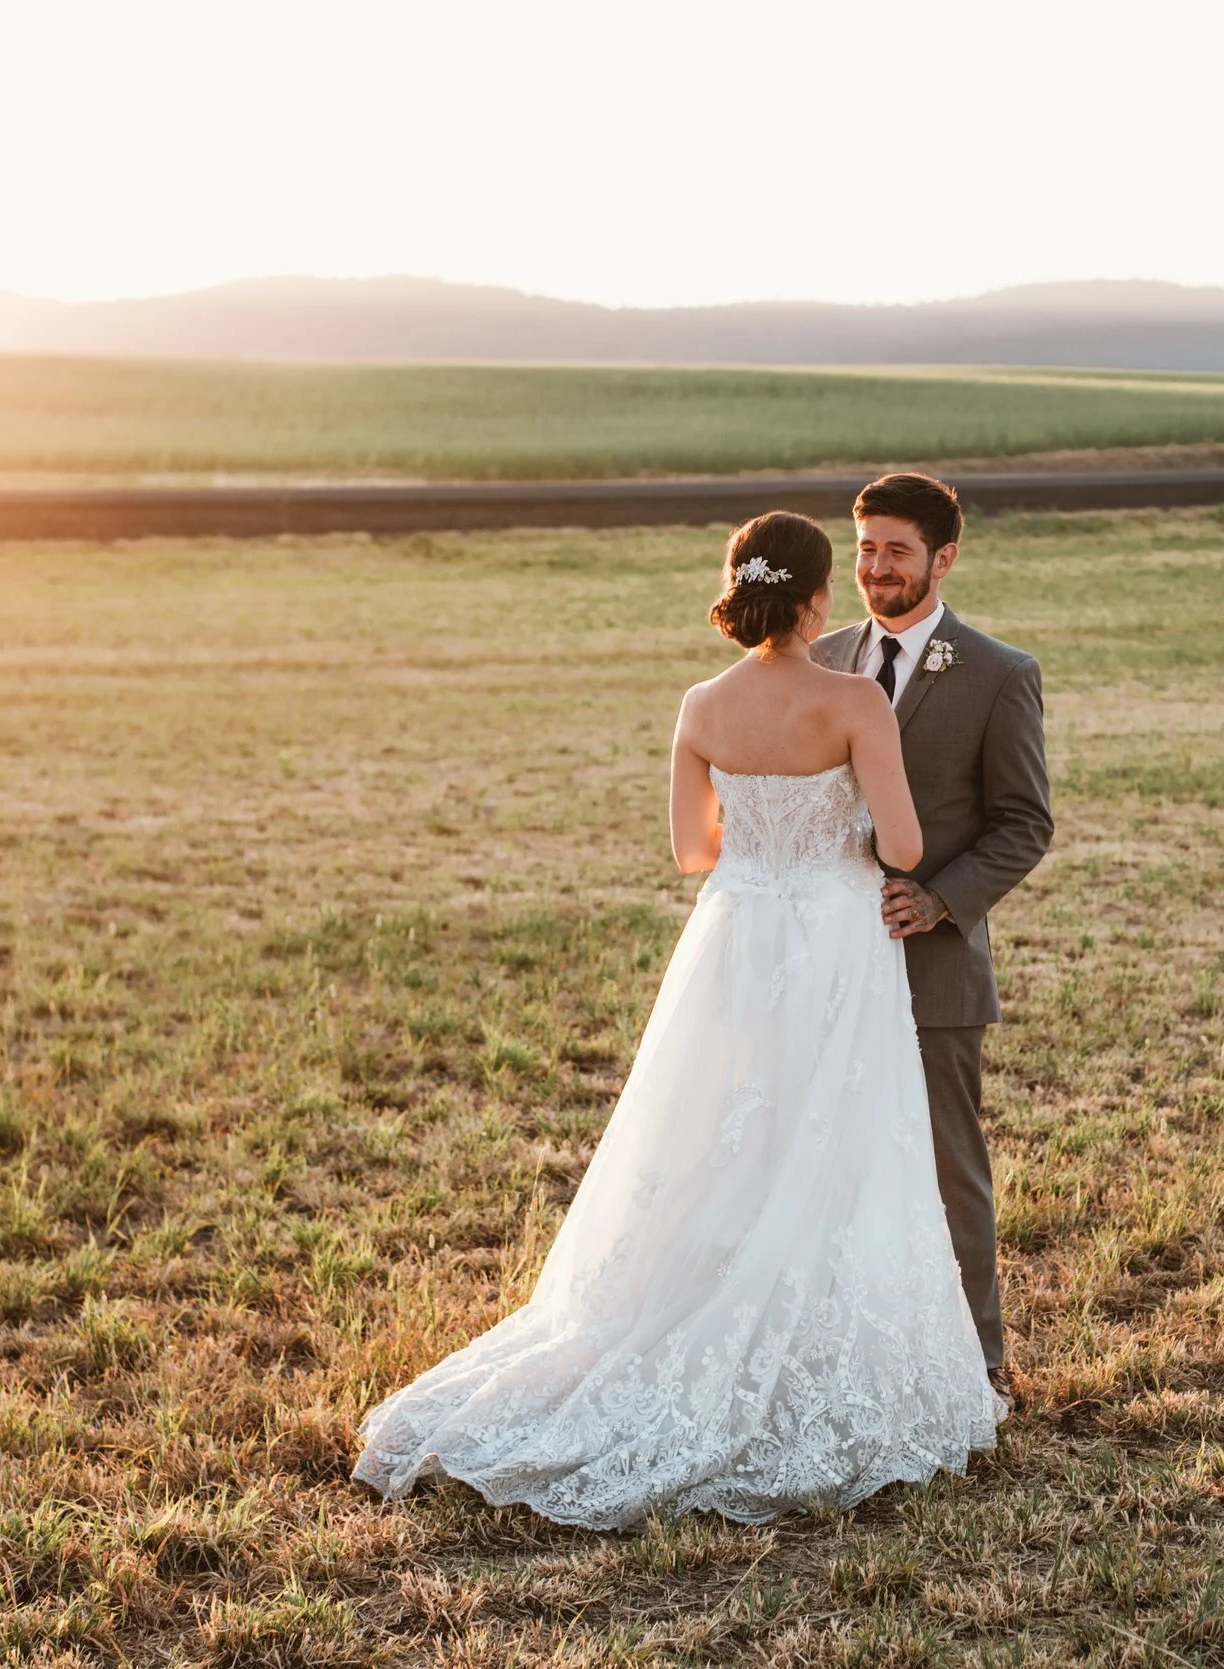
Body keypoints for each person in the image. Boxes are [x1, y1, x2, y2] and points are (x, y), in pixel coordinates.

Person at [352, 510, 1000, 1529]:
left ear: (742, 587)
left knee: (715, 1135)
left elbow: (692, 852)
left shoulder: (700, 704)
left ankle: (682, 1314)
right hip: (833, 938)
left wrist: (766, 833)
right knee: (832, 1139)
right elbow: (906, 844)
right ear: (821, 595)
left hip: (735, 936)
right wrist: (847, 826)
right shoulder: (854, 699)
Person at [809, 473, 1053, 1388]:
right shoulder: (819, 658)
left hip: (935, 970)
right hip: (824, 963)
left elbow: (1025, 822)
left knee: (951, 1172)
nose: (875, 568)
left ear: (944, 558)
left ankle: (976, 1369)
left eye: (897, 551)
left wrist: (942, 898)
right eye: (865, 549)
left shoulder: (999, 674)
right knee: (826, 1163)